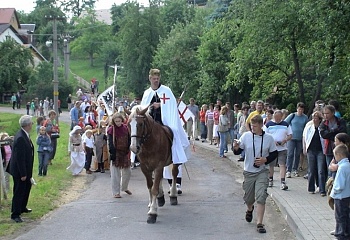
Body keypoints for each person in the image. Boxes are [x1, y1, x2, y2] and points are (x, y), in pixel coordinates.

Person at [141, 68, 190, 194]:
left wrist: (161, 105)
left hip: (166, 122)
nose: (156, 80)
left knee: (173, 132)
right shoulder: (147, 93)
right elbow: (142, 110)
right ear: (149, 78)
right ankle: (139, 157)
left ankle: (175, 157)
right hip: (152, 123)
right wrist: (151, 106)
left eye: (157, 78)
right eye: (153, 78)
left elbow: (171, 106)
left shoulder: (166, 91)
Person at [233, 115, 278, 234]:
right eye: (251, 125)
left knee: (261, 196)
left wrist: (265, 160)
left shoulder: (268, 138)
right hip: (249, 171)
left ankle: (259, 223)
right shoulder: (246, 136)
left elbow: (274, 154)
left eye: (255, 126)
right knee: (248, 198)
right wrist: (236, 147)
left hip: (262, 171)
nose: (253, 127)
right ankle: (249, 208)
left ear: (261, 125)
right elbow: (238, 151)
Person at [10, 115, 34, 223]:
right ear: (28, 125)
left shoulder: (25, 135)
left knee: (26, 188)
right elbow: (19, 158)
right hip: (20, 171)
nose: (32, 125)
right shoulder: (20, 137)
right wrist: (23, 173)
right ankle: (15, 213)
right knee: (19, 191)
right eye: (31, 123)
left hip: (27, 169)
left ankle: (22, 207)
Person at [263, 110, 292, 190]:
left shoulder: (286, 124)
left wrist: (285, 140)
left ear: (281, 117)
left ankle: (283, 182)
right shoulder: (268, 124)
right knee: (271, 165)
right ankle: (270, 179)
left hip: (282, 148)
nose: (277, 119)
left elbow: (290, 135)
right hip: (272, 148)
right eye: (276, 118)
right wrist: (272, 141)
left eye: (279, 118)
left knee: (282, 164)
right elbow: (264, 135)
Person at [107, 113, 132, 198]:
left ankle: (124, 187)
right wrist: (112, 153)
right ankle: (116, 192)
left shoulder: (126, 128)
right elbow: (110, 143)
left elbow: (129, 139)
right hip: (116, 153)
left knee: (128, 172)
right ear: (113, 121)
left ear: (122, 120)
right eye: (116, 121)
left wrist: (128, 148)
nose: (118, 123)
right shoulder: (111, 130)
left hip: (124, 152)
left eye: (119, 121)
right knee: (115, 174)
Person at [319, 105, 347, 178]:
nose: (325, 115)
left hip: (340, 148)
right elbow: (323, 135)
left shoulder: (340, 121)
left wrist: (330, 132)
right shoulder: (323, 123)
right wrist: (334, 131)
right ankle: (330, 186)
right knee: (330, 169)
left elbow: (342, 132)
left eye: (327, 113)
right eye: (324, 113)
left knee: (340, 167)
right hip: (328, 148)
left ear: (333, 113)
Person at [302, 111, 326, 196]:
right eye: (313, 118)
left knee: (320, 170)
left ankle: (322, 189)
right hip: (311, 150)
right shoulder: (309, 127)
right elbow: (304, 137)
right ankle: (311, 188)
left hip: (320, 151)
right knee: (311, 170)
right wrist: (304, 148)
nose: (314, 119)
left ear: (320, 119)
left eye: (316, 118)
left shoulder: (322, 128)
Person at [330, 144, 350, 240]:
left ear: (339, 155)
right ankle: (346, 232)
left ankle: (340, 234)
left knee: (339, 216)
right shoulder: (348, 165)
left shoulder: (341, 168)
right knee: (346, 215)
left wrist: (334, 190)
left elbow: (339, 185)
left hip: (340, 196)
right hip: (347, 195)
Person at [284, 102, 309, 178]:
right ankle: (288, 170)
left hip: (300, 138)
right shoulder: (292, 115)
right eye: (299, 109)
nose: (300, 111)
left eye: (302, 109)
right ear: (297, 109)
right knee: (290, 154)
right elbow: (285, 123)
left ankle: (295, 169)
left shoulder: (305, 117)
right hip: (292, 138)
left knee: (297, 154)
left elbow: (306, 127)